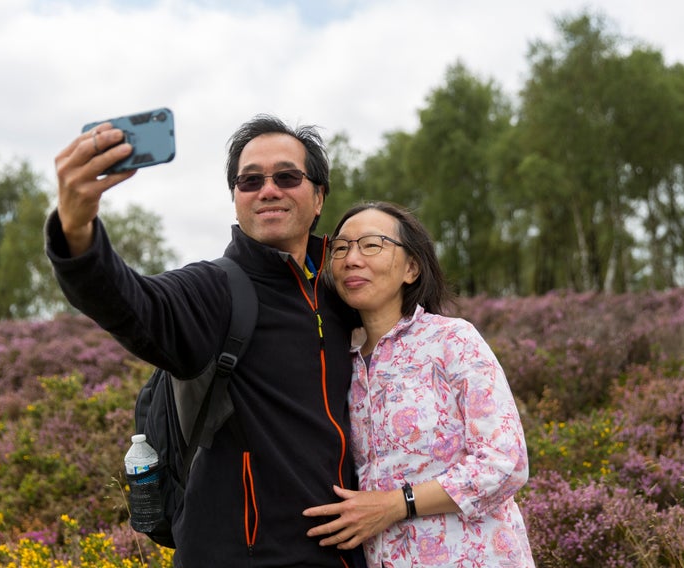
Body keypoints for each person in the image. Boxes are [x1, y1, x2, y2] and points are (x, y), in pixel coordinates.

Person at [46, 114, 364, 567]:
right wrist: (76, 233)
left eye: (287, 176)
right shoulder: (214, 290)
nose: (267, 189)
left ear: (318, 197)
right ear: (235, 200)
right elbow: (135, 304)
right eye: (249, 180)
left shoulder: (346, 295)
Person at [303, 201, 535, 567]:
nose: (351, 258)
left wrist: (398, 504)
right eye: (342, 247)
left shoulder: (452, 340)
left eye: (371, 244)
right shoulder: (339, 361)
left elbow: (505, 463)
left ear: (411, 268)